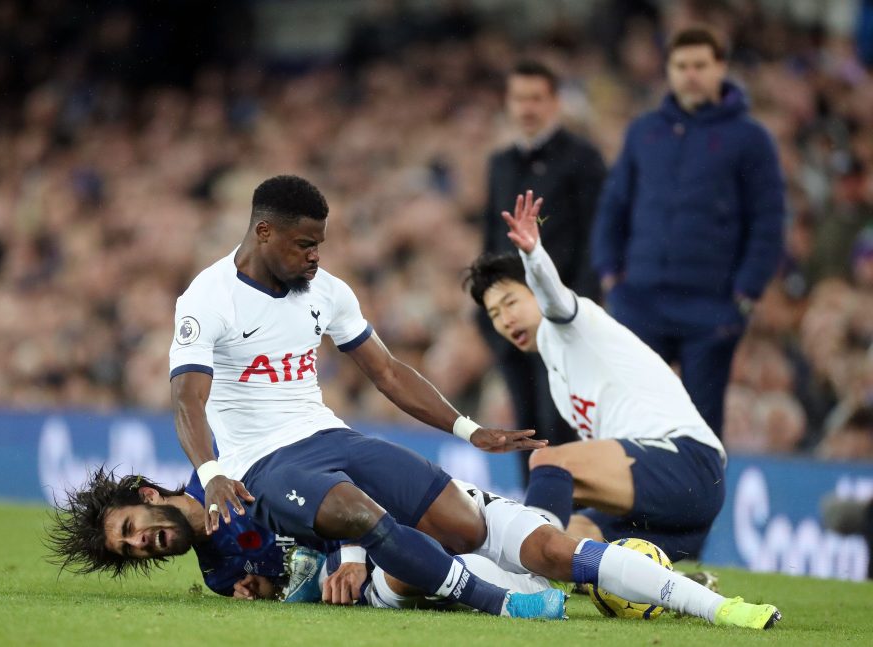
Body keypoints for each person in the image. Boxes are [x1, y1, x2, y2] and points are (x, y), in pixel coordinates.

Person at [166, 174, 778, 627]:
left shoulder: (326, 290)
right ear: (263, 231)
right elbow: (189, 403)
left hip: (330, 437)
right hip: (262, 464)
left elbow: (387, 371)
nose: (314, 256)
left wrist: (466, 428)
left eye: (320, 244)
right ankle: (501, 603)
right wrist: (212, 471)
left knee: (462, 523)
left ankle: (689, 602)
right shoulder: (207, 299)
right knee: (358, 512)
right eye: (304, 244)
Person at [46, 467, 780, 629]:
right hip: (399, 572)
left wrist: (351, 553)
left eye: (131, 529)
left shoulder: (234, 468)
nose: (144, 543)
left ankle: (693, 593)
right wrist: (282, 591)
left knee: (551, 547)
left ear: (143, 494)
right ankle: (652, 583)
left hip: (405, 508)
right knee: (420, 572)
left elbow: (337, 488)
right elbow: (304, 583)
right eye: (133, 551)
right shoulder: (218, 574)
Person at [467, 190, 727, 562]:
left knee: (548, 462)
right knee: (574, 533)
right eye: (494, 314)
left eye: (511, 302)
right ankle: (666, 581)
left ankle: (523, 572)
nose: (505, 319)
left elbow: (555, 297)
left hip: (688, 465)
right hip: (665, 506)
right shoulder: (559, 379)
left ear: (534, 295)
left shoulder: (573, 324)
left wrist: (532, 255)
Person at [591, 26, 786, 438]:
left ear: (721, 68)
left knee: (698, 429)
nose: (691, 74)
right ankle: (629, 504)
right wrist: (610, 272)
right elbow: (614, 205)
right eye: (682, 66)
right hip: (640, 301)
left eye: (700, 65)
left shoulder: (751, 139)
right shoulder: (644, 131)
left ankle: (698, 506)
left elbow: (768, 221)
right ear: (669, 70)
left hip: (711, 308)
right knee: (631, 420)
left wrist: (746, 294)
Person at [481, 60, 607, 467]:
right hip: (509, 319)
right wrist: (484, 306)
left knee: (560, 427)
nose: (527, 108)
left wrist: (577, 307)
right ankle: (533, 522)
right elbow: (489, 236)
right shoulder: (500, 162)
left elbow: (595, 239)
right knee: (522, 429)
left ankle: (566, 523)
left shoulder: (584, 159)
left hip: (558, 318)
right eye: (519, 98)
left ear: (554, 102)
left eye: (536, 98)